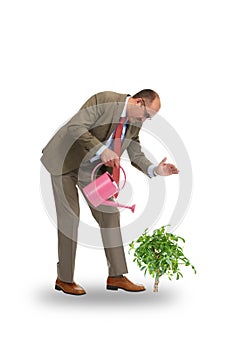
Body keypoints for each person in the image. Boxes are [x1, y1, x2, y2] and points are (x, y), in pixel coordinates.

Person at [40, 89, 179, 296]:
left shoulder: (135, 122)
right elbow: (75, 127)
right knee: (70, 218)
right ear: (139, 102)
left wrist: (154, 170)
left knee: (110, 214)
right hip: (65, 161)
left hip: (92, 169)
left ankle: (116, 276)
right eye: (147, 115)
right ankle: (64, 279)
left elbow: (135, 151)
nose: (145, 120)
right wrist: (101, 150)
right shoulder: (104, 100)